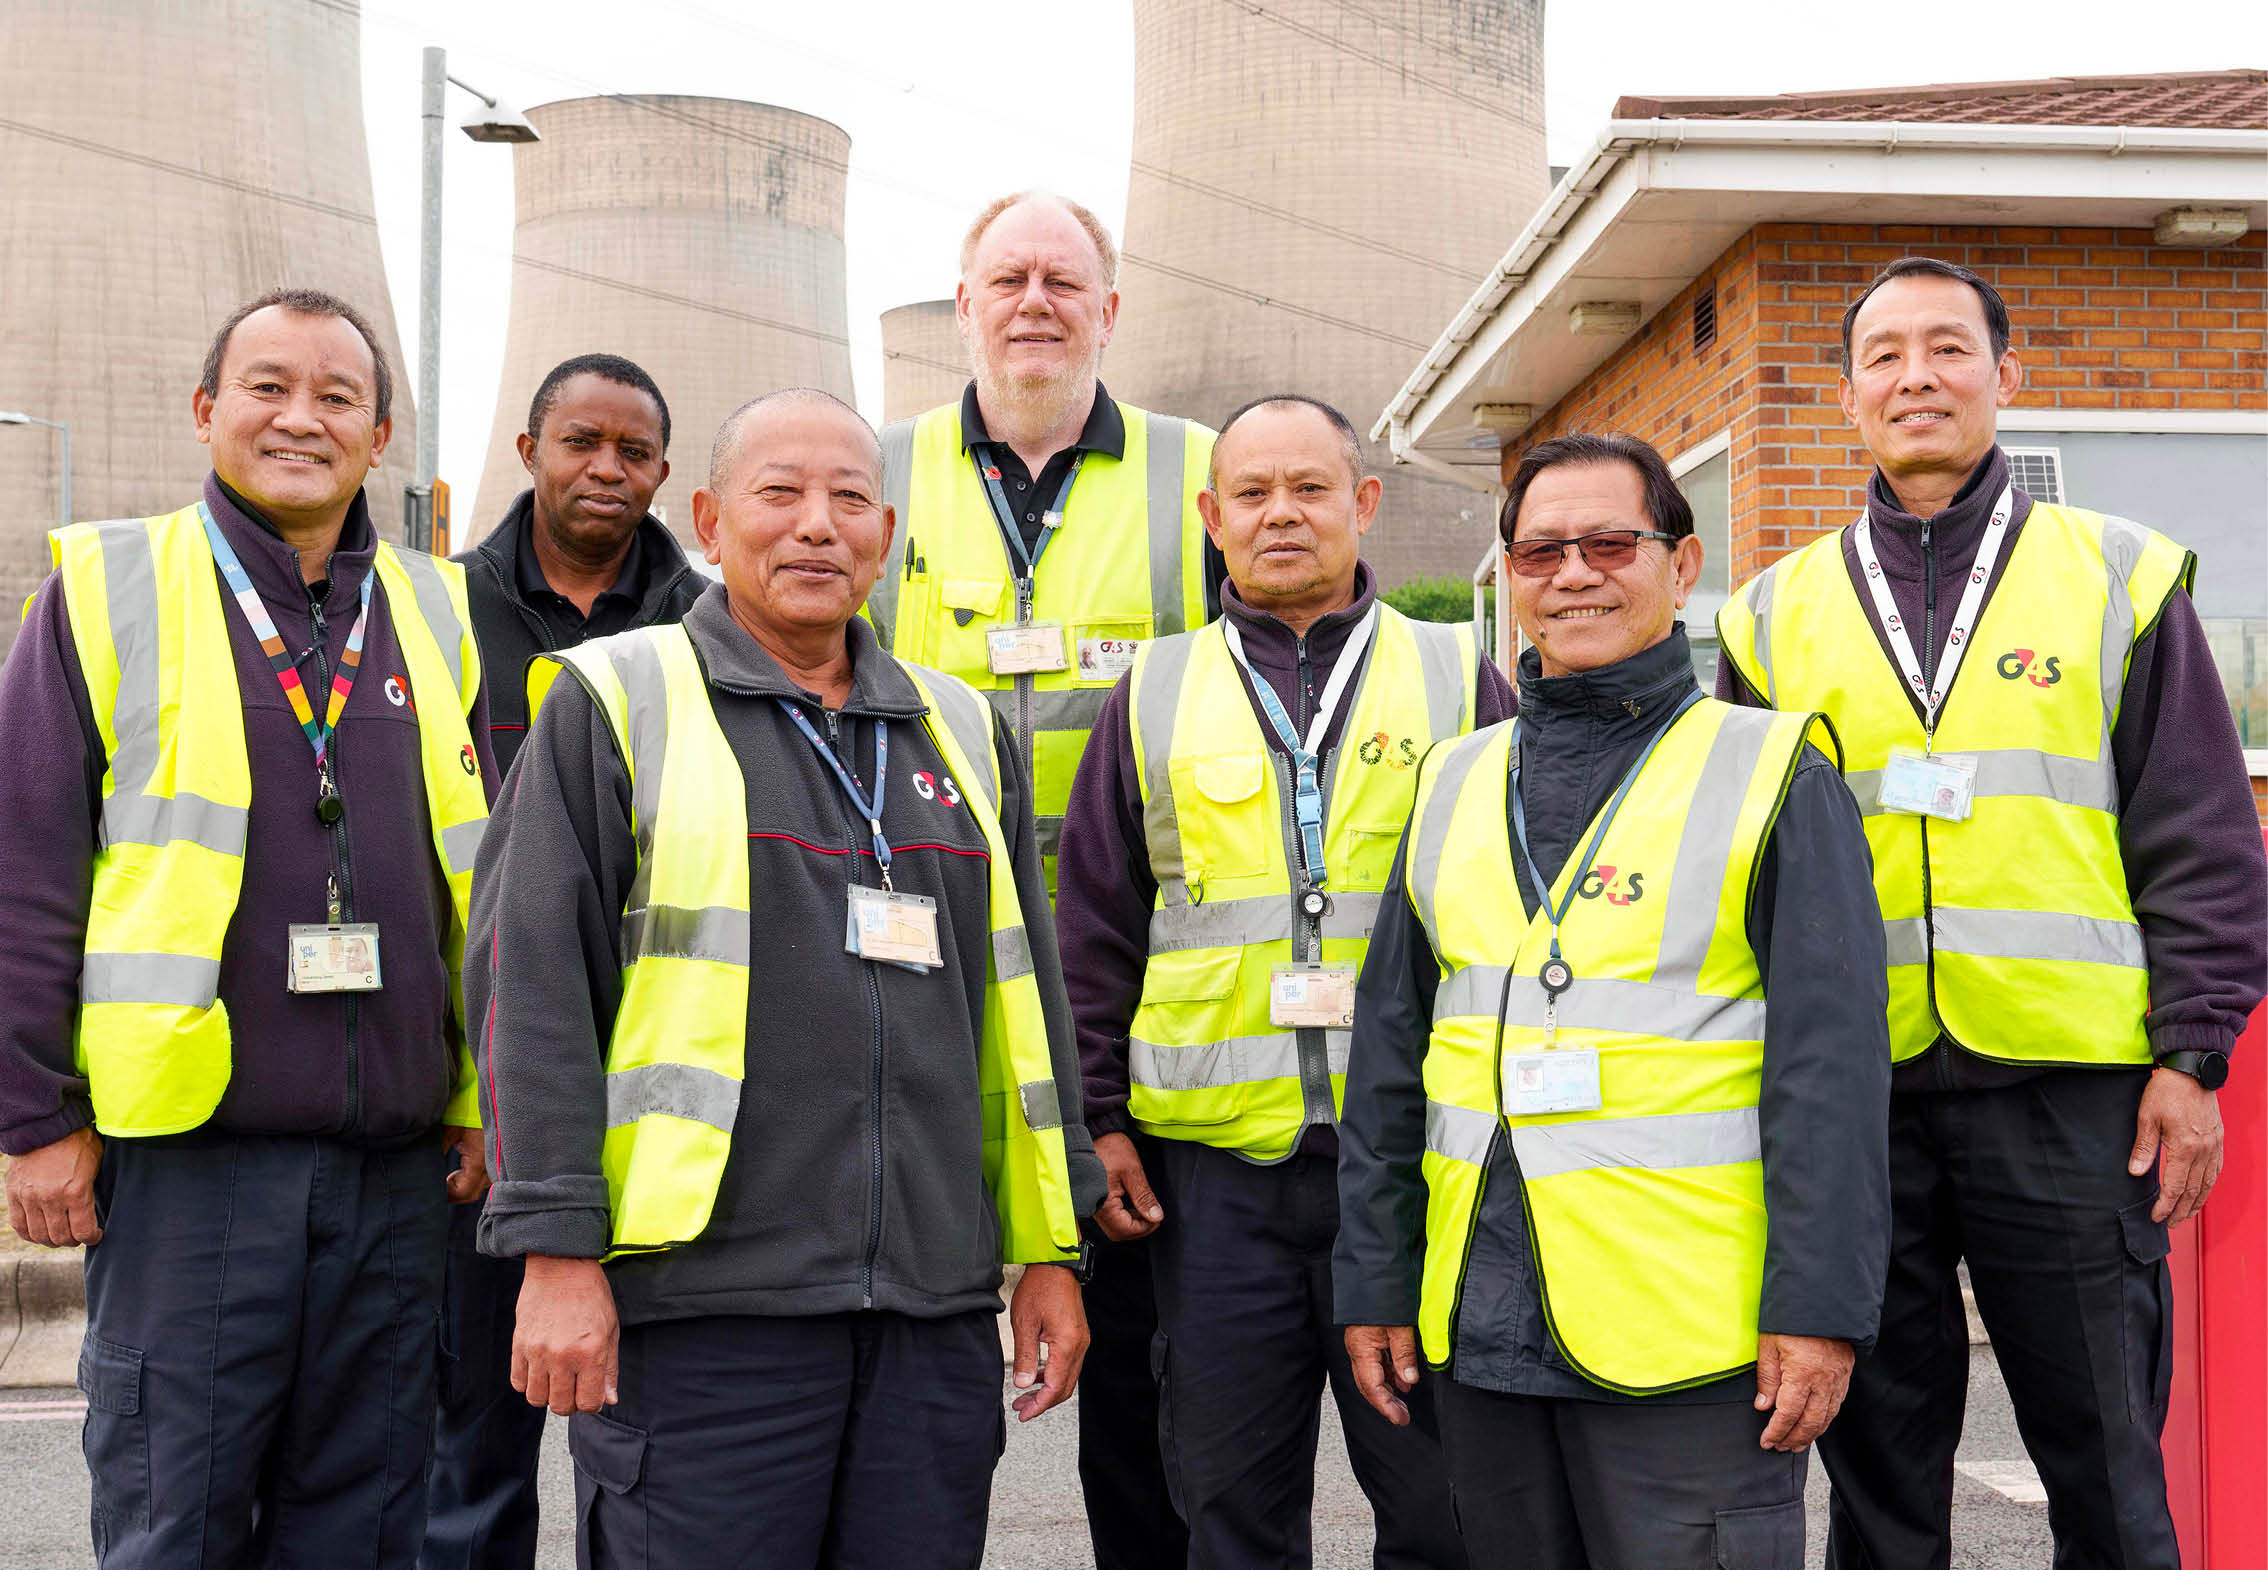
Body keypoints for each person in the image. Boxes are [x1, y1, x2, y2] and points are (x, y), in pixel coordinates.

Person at [469, 389, 1103, 1569]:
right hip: (705, 1319)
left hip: (928, 1310)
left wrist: (1054, 1251)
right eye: (780, 494)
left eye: (849, 498)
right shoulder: (619, 699)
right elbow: (532, 987)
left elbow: (1025, 1006)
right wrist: (555, 1251)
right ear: (709, 518)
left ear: (887, 531)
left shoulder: (961, 730)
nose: (817, 524)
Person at [1716, 256, 2268, 1570]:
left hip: (2072, 1100)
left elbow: (2200, 836)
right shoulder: (1771, 617)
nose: (1918, 375)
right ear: (1848, 394)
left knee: (2111, 1479)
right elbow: (1739, 880)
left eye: (1950, 349)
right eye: (1887, 354)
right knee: (1882, 1493)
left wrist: (2192, 1060)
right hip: (1862, 1105)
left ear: (2006, 379)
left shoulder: (2120, 579)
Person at [1337, 432, 1893, 1570]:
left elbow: (1830, 1076)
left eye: (1609, 543)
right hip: (1481, 1323)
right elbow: (1391, 1059)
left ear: (1681, 566)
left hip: (1689, 1336)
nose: (1575, 573)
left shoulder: (1775, 770)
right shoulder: (1450, 779)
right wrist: (1375, 1279)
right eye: (1541, 550)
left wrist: (1820, 1307)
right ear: (1510, 577)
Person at [0, 287, 494, 1565]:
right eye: (267, 386)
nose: (300, 418)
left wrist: (487, 1099)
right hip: (193, 1170)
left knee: (371, 1530)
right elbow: (27, 866)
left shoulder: (436, 614)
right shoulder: (109, 588)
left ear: (380, 434)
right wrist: (36, 1117)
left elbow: (480, 885)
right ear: (207, 409)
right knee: (179, 1521)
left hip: (396, 1172)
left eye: (338, 396)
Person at [1058, 395, 1508, 1568]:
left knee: (1443, 1507)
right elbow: (1098, 929)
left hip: (1409, 1168)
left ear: (1363, 505)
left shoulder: (1461, 675)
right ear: (1211, 517)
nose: (1280, 514)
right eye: (1251, 493)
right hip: (1214, 1188)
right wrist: (1097, 1118)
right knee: (1232, 1512)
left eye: (1310, 489)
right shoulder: (1152, 692)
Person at [871, 189, 1216, 1570]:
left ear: (1110, 311)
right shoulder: (880, 472)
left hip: (1134, 959)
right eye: (1005, 278)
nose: (1035, 303)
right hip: (924, 954)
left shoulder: (1198, 473)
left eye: (1063, 282)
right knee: (929, 1319)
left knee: (1147, 1352)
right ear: (961, 305)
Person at [423, 352, 702, 1570]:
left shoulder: (708, 619)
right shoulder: (438, 613)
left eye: (633, 452)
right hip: (482, 1090)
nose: (606, 468)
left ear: (665, 474)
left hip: (664, 1097)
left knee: (653, 1454)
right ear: (529, 447)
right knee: (467, 1448)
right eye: (581, 441)